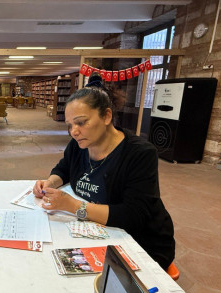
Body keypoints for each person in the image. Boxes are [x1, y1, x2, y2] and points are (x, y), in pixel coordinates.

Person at [33, 74, 175, 270]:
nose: (74, 131)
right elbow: (64, 168)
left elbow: (133, 215)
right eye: (70, 125)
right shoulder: (79, 145)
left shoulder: (139, 153)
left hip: (139, 242)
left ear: (107, 116)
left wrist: (73, 205)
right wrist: (49, 182)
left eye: (81, 122)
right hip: (98, 231)